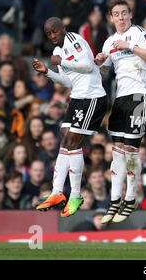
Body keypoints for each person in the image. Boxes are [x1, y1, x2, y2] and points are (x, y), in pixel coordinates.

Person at [33, 17, 107, 218]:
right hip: (76, 97)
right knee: (64, 142)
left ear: (63, 28)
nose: (53, 36)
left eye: (55, 31)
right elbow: (67, 80)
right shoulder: (57, 51)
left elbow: (88, 66)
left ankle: (75, 195)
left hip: (92, 97)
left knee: (73, 143)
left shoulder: (75, 40)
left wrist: (62, 61)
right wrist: (47, 71)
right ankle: (57, 192)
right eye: (49, 34)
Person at [95, 0, 146, 224]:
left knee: (131, 149)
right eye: (116, 14)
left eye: (124, 13)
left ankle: (130, 198)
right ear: (110, 18)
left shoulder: (139, 33)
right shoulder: (109, 41)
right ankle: (114, 200)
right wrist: (100, 61)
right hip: (120, 99)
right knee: (117, 149)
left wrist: (130, 46)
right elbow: (103, 72)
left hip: (140, 95)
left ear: (130, 15)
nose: (121, 18)